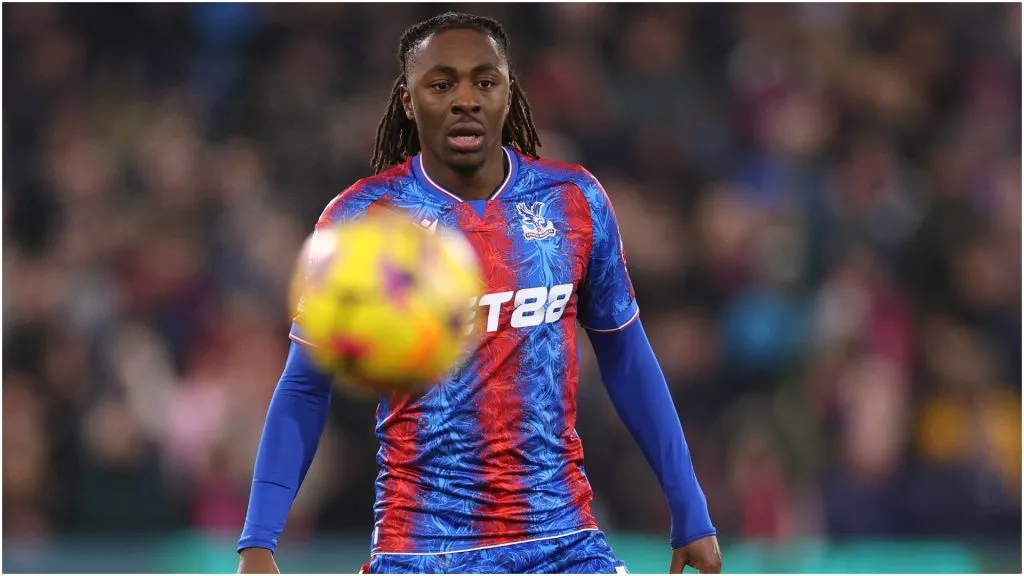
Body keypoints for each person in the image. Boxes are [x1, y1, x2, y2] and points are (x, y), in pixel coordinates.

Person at [237, 12, 721, 575]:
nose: (466, 98)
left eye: (484, 81)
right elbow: (304, 385)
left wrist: (690, 510)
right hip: (420, 551)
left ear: (509, 94)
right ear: (408, 101)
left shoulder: (574, 201)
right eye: (441, 84)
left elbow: (628, 356)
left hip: (563, 541)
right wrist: (258, 541)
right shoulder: (362, 224)